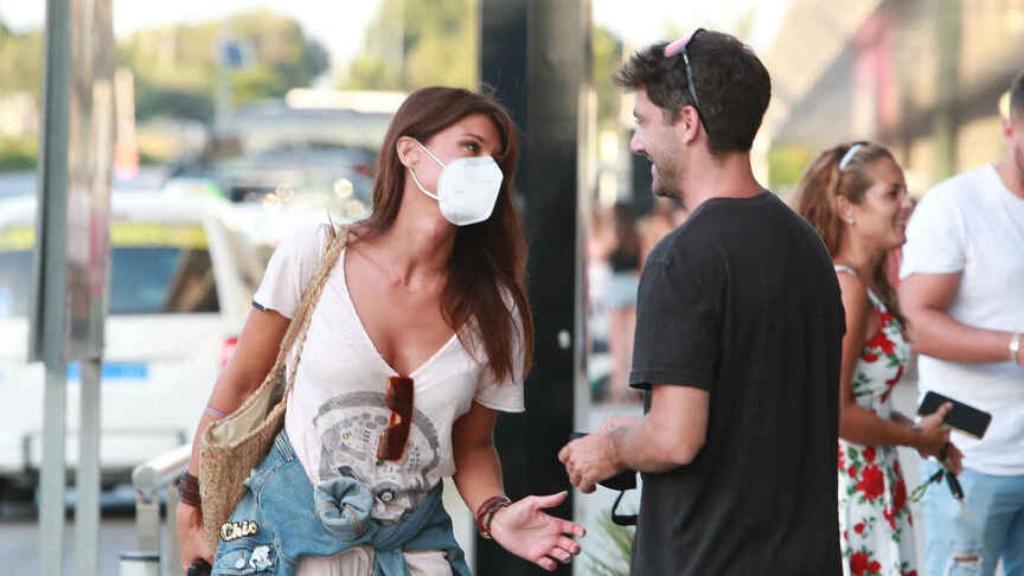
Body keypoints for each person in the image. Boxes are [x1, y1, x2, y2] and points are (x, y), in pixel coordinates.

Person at [176, 87, 586, 575]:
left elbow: (473, 444)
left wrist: (495, 515)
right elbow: (240, 383)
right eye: (471, 147)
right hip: (289, 546)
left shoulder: (496, 310)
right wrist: (191, 503)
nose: (486, 170)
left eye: (497, 160)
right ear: (409, 151)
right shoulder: (316, 254)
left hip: (412, 553)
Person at [558, 29, 846, 575]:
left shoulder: (682, 258)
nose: (636, 143)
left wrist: (611, 450)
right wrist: (633, 433)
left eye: (643, 122)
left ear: (687, 123)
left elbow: (674, 439)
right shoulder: (806, 245)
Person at [795, 141, 963, 576]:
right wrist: (915, 438)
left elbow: (863, 401)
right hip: (849, 489)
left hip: (872, 480)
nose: (907, 204)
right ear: (846, 208)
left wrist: (922, 433)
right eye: (892, 193)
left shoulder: (866, 286)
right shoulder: (847, 289)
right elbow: (836, 413)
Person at [899, 72, 1024, 576]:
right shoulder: (956, 205)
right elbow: (915, 322)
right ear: (1009, 129)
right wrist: (1014, 346)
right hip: (972, 460)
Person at [601, 201, 642, 403]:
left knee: (617, 342)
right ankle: (633, 387)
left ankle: (618, 387)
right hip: (633, 283)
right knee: (632, 339)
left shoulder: (613, 234)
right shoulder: (637, 235)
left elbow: (602, 253)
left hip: (617, 286)